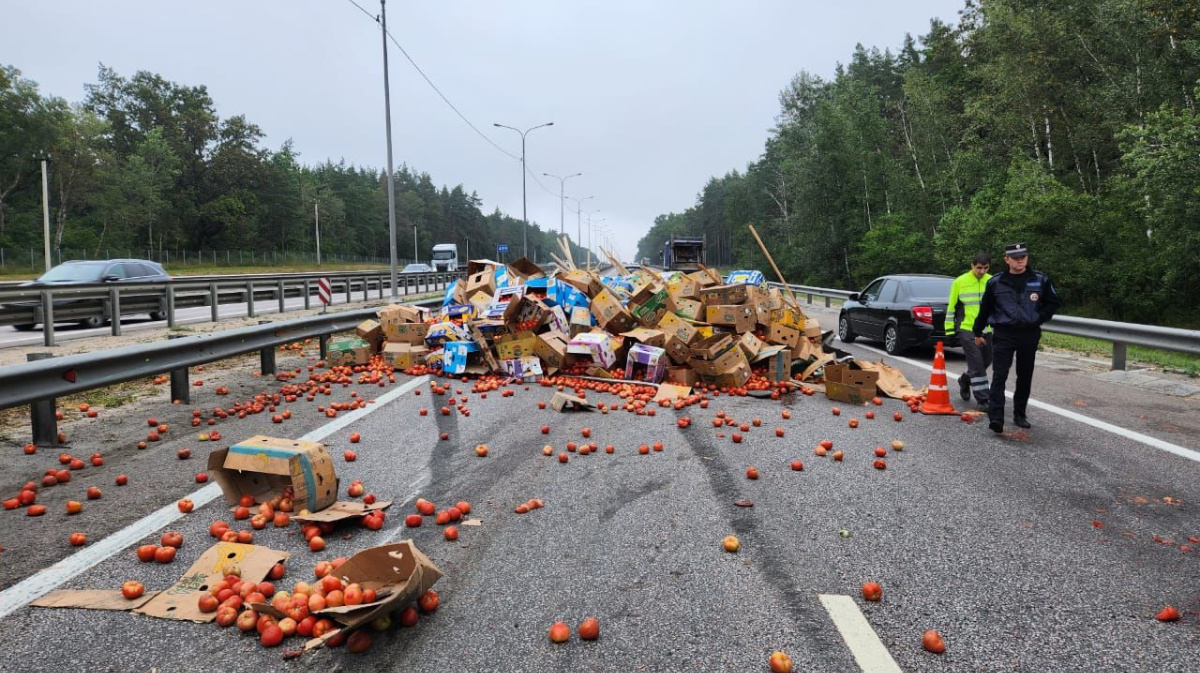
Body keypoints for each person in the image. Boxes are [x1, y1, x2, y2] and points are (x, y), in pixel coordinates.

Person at [972, 243, 1062, 434]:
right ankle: (996, 418)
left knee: (1024, 375)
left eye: (1023, 257)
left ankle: (1020, 414)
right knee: (1000, 375)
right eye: (1015, 257)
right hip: (1004, 333)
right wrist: (977, 331)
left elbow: (1053, 303)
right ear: (1007, 259)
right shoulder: (996, 282)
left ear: (1027, 258)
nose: (1020, 260)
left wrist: (1039, 317)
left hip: (1029, 333)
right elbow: (985, 309)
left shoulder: (1040, 280)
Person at [945, 252, 992, 405]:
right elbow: (951, 308)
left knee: (986, 361)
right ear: (972, 265)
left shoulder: (992, 281)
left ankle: (965, 380)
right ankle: (983, 399)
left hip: (987, 330)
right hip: (967, 329)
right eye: (979, 268)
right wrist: (950, 330)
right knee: (977, 363)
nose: (982, 271)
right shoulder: (960, 282)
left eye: (985, 268)